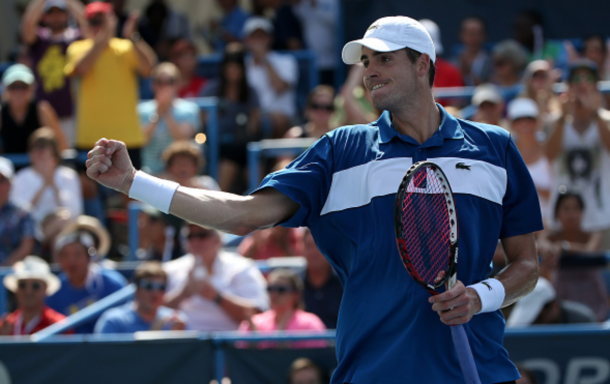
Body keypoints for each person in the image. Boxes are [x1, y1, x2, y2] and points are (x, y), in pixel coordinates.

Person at [86, 16, 541, 383]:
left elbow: (527, 265)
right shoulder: (340, 149)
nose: (370, 71)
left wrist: (482, 296)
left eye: (383, 58)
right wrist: (134, 184)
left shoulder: (495, 147)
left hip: (480, 369)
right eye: (365, 61)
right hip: (373, 373)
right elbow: (244, 216)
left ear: (423, 64)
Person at [64, 1, 157, 169]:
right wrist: (105, 34)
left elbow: (149, 67)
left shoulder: (126, 46)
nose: (98, 26)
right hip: (90, 137)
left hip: (128, 136)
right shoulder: (77, 48)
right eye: (94, 21)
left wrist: (133, 37)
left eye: (102, 21)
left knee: (130, 191)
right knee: (87, 189)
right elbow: (82, 68)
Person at [545, 60, 610, 236]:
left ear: (595, 85)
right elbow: (549, 156)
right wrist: (563, 117)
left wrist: (596, 113)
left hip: (602, 216)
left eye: (588, 78)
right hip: (562, 219)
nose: (582, 83)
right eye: (577, 78)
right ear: (569, 85)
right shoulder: (555, 121)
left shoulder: (606, 119)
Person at [163, 225, 269, 331]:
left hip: (229, 343)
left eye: (202, 235)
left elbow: (259, 314)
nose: (195, 241)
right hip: (183, 343)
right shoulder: (170, 269)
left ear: (217, 240)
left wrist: (217, 297)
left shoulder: (241, 268)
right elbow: (151, 310)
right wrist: (183, 294)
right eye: (190, 236)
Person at [21, 0, 88, 147]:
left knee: (69, 159)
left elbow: (87, 23)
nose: (56, 17)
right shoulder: (40, 39)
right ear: (44, 17)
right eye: (51, 13)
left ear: (67, 14)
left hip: (71, 114)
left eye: (60, 12)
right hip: (42, 116)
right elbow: (27, 25)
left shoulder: (76, 38)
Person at [537, 191, 608, 321]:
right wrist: (549, 250)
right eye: (566, 208)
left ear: (582, 212)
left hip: (592, 296)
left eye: (576, 208)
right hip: (562, 295)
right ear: (557, 213)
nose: (571, 214)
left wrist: (565, 247)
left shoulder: (593, 235)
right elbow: (540, 245)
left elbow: (590, 250)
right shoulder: (550, 237)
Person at [201, 43, 261, 192]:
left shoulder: (251, 92)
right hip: (218, 147)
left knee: (252, 156)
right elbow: (204, 121)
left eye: (237, 67)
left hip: (245, 146)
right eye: (230, 67)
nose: (233, 72)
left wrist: (244, 129)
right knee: (230, 158)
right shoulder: (211, 89)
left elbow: (254, 125)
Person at [46, 230, 128, 333]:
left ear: (89, 256)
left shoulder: (113, 284)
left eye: (77, 254)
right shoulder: (54, 291)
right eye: (65, 255)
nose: (71, 261)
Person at [10, 128, 82, 239]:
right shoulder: (20, 177)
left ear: (54, 151)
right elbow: (19, 215)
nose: (38, 151)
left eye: (43, 147)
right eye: (35, 147)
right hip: (30, 231)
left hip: (63, 230)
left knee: (62, 221)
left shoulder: (69, 176)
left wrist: (52, 184)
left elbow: (75, 212)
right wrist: (44, 184)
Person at [238, 268, 326, 349]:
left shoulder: (310, 324)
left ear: (296, 294)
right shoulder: (253, 322)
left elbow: (315, 360)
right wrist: (254, 341)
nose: (274, 294)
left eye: (281, 289)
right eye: (270, 289)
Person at [138, 62, 200, 174]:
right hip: (148, 171)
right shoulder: (141, 110)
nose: (164, 86)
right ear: (153, 85)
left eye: (170, 81)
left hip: (179, 174)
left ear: (178, 84)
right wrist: (158, 114)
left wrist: (167, 113)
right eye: (159, 82)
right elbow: (142, 140)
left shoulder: (189, 109)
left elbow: (182, 140)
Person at [94, 261, 187, 333]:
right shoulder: (114, 322)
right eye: (149, 286)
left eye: (161, 287)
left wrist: (182, 337)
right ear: (137, 290)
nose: (155, 293)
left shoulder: (177, 322)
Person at [243, 17, 298, 137]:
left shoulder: (286, 61)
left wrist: (264, 59)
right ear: (247, 40)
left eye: (262, 37)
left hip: (283, 119)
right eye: (254, 37)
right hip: (251, 116)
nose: (258, 41)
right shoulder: (242, 66)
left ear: (270, 39)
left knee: (276, 120)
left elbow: (279, 87)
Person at [0, 64, 67, 153]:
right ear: (6, 90)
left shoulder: (42, 110)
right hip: (8, 166)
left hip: (41, 165)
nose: (19, 92)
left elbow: (61, 145)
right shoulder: (1, 113)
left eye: (24, 87)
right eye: (14, 87)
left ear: (32, 89)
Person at [507, 98, 552, 223]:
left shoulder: (549, 149)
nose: (524, 124)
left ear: (537, 122)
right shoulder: (506, 153)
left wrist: (529, 186)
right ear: (512, 124)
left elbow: (556, 194)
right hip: (516, 223)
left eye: (529, 119)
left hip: (549, 221)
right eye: (518, 120)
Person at [0, 256, 68, 336]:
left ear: (45, 289)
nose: (28, 291)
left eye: (35, 286)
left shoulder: (60, 326)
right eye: (22, 285)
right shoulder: (5, 326)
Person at [507, 276, 596, 326]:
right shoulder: (515, 324)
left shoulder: (583, 320)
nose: (536, 324)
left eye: (539, 318)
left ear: (554, 306)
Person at [301, 229, 342, 329]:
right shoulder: (294, 284)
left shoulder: (344, 282)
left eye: (318, 246)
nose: (313, 252)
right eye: (309, 246)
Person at [293, 0, 339, 86]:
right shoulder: (304, 4)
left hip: (331, 61)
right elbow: (296, 11)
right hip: (311, 62)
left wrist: (316, 5)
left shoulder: (333, 3)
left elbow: (336, 20)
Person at [0, 157, 35, 267]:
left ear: (11, 184)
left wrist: (4, 267)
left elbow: (27, 246)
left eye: (1, 180)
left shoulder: (23, 211)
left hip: (14, 274)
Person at [453, 17, 493, 86]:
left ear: (484, 35)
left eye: (477, 33)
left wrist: (469, 73)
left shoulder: (493, 62)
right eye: (470, 33)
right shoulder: (452, 63)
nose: (473, 37)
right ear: (461, 35)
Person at [238, 226, 303, 260]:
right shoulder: (261, 236)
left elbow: (299, 266)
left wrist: (283, 242)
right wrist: (255, 245)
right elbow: (243, 262)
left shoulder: (298, 237)